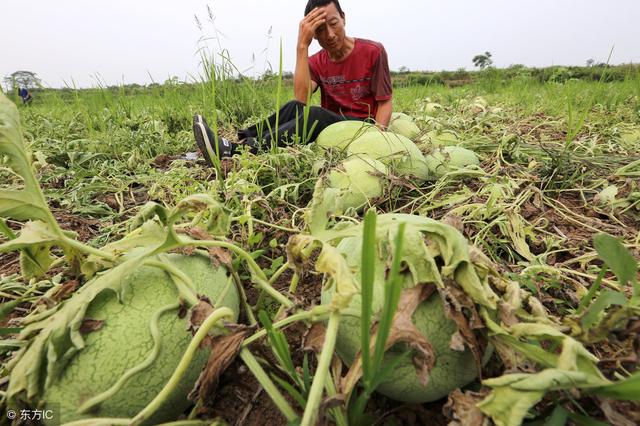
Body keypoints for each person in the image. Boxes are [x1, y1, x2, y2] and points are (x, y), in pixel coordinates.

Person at [193, 0, 393, 166]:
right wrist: (302, 46)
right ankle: (244, 138)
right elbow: (301, 99)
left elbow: (384, 102)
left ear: (343, 17)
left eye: (334, 23)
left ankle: (237, 152)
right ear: (313, 34)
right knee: (293, 107)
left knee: (315, 114)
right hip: (332, 127)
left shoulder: (373, 51)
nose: (330, 35)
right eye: (321, 30)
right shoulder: (316, 61)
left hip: (361, 128)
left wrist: (376, 138)